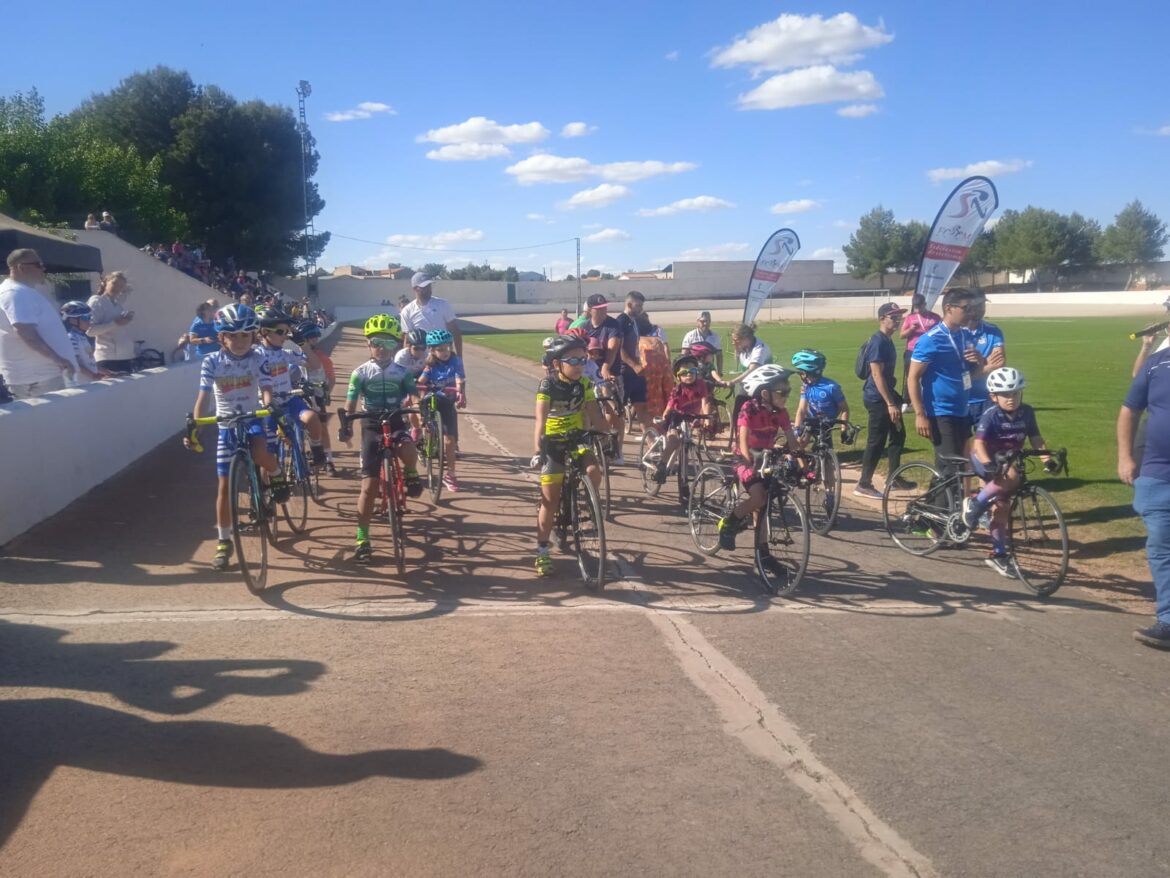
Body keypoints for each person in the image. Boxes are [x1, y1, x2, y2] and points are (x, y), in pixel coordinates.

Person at [184, 304, 279, 572]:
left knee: (261, 453)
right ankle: (224, 542)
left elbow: (267, 387)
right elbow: (203, 397)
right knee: (224, 487)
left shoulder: (258, 357)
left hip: (252, 418)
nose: (240, 342)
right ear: (221, 337)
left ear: (253, 337)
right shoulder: (211, 361)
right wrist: (195, 426)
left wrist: (269, 404)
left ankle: (277, 471)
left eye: (245, 336)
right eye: (233, 336)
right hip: (226, 425)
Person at [339, 314, 422, 564]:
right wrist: (347, 425)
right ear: (368, 344)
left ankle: (410, 473)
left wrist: (420, 410)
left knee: (408, 448)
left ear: (396, 344)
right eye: (376, 342)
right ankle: (362, 538)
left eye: (388, 343)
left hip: (396, 419)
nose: (382, 348)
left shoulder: (403, 372)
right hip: (371, 424)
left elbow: (414, 396)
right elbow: (351, 402)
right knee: (368, 487)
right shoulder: (360, 373)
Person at [963, 367, 1056, 577]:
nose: (1011, 398)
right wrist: (988, 464)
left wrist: (1047, 460)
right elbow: (978, 444)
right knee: (1011, 476)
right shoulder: (991, 415)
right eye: (1005, 394)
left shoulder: (1027, 412)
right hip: (984, 457)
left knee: (1002, 509)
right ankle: (975, 507)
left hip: (1007, 461)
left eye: (1015, 393)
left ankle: (998, 554)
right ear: (994, 396)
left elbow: (1036, 438)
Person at [530, 335, 604, 577]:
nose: (580, 364)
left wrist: (609, 434)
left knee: (594, 472)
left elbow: (594, 415)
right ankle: (542, 551)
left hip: (577, 438)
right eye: (573, 359)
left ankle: (584, 498)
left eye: (583, 359)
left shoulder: (584, 384)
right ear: (556, 363)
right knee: (550, 502)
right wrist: (537, 451)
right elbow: (540, 421)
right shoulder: (548, 385)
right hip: (553, 442)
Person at [716, 365, 799, 582]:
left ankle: (762, 554)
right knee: (758, 497)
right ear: (765, 393)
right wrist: (748, 462)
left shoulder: (780, 412)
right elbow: (743, 439)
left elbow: (792, 439)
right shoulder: (749, 408)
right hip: (745, 458)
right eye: (783, 392)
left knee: (765, 504)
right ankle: (730, 522)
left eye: (788, 391)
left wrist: (802, 462)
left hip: (766, 458)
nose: (787, 395)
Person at [1118, 340, 1170, 649]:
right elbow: (1129, 410)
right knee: (1162, 546)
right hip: (1157, 472)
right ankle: (1168, 620)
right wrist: (1125, 456)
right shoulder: (1157, 363)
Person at [907, 288, 985, 470]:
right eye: (966, 308)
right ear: (949, 308)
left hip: (962, 409)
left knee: (950, 469)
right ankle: (942, 499)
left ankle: (931, 499)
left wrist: (979, 362)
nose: (970, 313)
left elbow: (971, 376)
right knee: (951, 467)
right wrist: (920, 415)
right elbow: (912, 378)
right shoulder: (930, 340)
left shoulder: (965, 336)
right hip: (940, 412)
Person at [0, 249, 78, 398]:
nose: (43, 268)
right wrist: (58, 359)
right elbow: (25, 333)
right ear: (21, 267)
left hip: (41, 377)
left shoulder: (22, 291)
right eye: (38, 264)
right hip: (37, 379)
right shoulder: (14, 293)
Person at [257, 309, 327, 468]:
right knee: (268, 455)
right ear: (264, 332)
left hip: (289, 400)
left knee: (312, 418)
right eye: (281, 332)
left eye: (287, 332)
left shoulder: (286, 354)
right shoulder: (255, 355)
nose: (285, 336)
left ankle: (317, 450)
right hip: (267, 407)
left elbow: (316, 366)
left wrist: (302, 344)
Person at [855, 302, 910, 498]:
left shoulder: (886, 340)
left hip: (886, 393)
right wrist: (890, 403)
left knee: (898, 435)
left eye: (899, 317)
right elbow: (877, 375)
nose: (897, 321)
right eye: (893, 317)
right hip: (877, 398)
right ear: (881, 319)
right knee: (876, 441)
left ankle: (894, 477)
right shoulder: (878, 341)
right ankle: (863, 483)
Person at [416, 328, 466, 493]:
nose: (445, 352)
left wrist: (460, 392)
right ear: (432, 350)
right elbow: (422, 379)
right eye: (440, 349)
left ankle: (450, 474)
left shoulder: (455, 360)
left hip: (447, 401)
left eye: (447, 348)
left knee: (450, 440)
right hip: (432, 398)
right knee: (424, 407)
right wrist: (416, 385)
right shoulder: (430, 364)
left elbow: (459, 377)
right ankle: (425, 436)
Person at [653, 354, 712, 487]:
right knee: (674, 440)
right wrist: (664, 417)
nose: (689, 375)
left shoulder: (701, 384)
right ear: (678, 376)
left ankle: (682, 472)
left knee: (686, 441)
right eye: (684, 373)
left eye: (692, 371)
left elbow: (705, 401)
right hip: (676, 416)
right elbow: (669, 406)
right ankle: (661, 464)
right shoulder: (678, 390)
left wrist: (707, 417)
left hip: (691, 416)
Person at [580, 293, 625, 456]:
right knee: (590, 412)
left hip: (611, 372)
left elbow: (613, 348)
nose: (603, 311)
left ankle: (618, 450)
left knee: (614, 413)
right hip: (588, 374)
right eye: (599, 309)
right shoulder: (584, 327)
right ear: (591, 310)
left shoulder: (612, 324)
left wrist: (606, 367)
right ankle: (600, 446)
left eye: (604, 307)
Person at [292, 320, 337, 475]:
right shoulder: (293, 356)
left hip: (316, 396)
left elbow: (331, 378)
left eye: (313, 338)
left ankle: (329, 460)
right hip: (297, 394)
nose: (313, 341)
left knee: (322, 428)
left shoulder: (322, 358)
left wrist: (326, 394)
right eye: (308, 338)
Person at [964, 292, 1006, 424]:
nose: (981, 309)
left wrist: (976, 368)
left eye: (983, 305)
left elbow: (999, 363)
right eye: (977, 305)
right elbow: (957, 373)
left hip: (987, 398)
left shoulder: (993, 330)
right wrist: (987, 365)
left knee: (988, 443)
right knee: (960, 443)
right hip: (961, 398)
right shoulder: (955, 332)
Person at [790, 348, 850, 443]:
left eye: (801, 372)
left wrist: (844, 430)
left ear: (807, 372)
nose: (800, 375)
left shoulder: (832, 387)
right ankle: (789, 457)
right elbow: (801, 409)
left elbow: (844, 409)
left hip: (826, 423)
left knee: (824, 447)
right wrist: (797, 428)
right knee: (800, 443)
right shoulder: (806, 386)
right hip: (811, 419)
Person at [725, 323, 773, 435]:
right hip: (749, 384)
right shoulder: (744, 347)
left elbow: (752, 369)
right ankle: (738, 440)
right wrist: (737, 347)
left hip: (762, 385)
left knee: (756, 415)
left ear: (746, 338)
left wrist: (733, 381)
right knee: (738, 412)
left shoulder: (760, 348)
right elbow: (741, 362)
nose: (733, 342)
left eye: (736, 340)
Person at [400, 272, 462, 357]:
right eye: (424, 287)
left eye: (429, 286)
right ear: (415, 288)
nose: (428, 289)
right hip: (420, 359)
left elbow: (455, 331)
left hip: (442, 357)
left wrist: (459, 357)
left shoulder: (443, 304)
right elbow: (407, 339)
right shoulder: (407, 311)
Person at [87, 271, 136, 373]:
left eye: (120, 286)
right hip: (108, 357)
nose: (117, 288)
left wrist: (125, 319)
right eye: (114, 283)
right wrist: (115, 323)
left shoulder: (118, 305)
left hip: (124, 356)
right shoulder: (97, 301)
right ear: (105, 282)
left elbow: (128, 291)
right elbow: (90, 330)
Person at [615, 291, 649, 433]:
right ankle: (614, 442)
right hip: (624, 371)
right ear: (629, 304)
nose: (641, 309)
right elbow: (619, 347)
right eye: (638, 306)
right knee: (619, 409)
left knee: (641, 406)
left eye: (641, 306)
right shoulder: (622, 321)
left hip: (637, 371)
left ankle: (650, 442)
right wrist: (634, 365)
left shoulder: (635, 320)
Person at [899, 293, 941, 406]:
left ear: (925, 304)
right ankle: (907, 401)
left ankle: (929, 399)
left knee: (931, 376)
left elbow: (942, 333)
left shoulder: (935, 317)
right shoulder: (910, 317)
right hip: (912, 351)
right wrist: (911, 329)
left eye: (920, 306)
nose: (918, 309)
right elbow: (902, 335)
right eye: (916, 306)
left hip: (931, 352)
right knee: (911, 377)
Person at [636, 315, 673, 422]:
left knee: (649, 405)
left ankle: (653, 430)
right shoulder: (656, 340)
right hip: (660, 372)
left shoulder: (638, 342)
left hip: (646, 376)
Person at [59, 301, 105, 383]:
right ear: (73, 320)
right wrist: (93, 376)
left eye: (89, 317)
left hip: (90, 382)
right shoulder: (71, 338)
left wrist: (108, 373)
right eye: (85, 318)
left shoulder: (82, 337)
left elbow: (90, 362)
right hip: (82, 384)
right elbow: (75, 363)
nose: (89, 321)